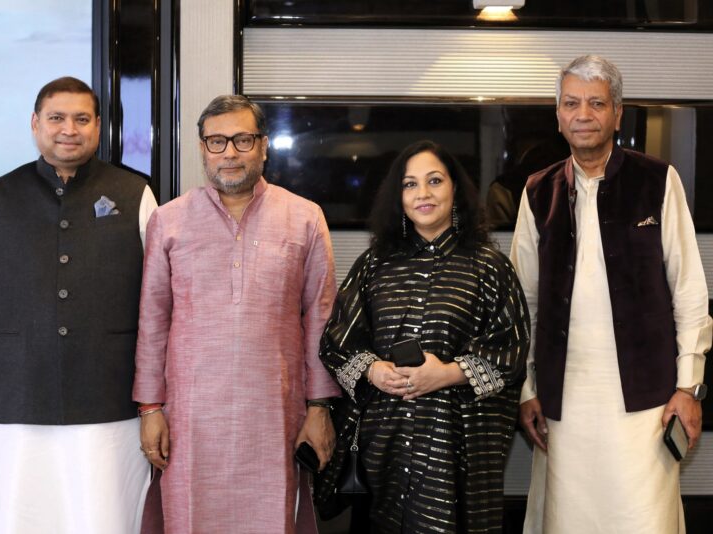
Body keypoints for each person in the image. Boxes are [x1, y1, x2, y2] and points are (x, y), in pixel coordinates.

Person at [510, 55, 713, 533]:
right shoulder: (538, 192)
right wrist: (526, 389)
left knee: (644, 518)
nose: (583, 114)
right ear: (557, 115)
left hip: (647, 399)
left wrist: (689, 386)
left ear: (617, 114)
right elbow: (523, 304)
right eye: (571, 103)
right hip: (563, 399)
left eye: (596, 103)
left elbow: (689, 292)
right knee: (568, 518)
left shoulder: (657, 181)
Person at [0, 77, 157, 534]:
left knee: (108, 514)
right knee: (23, 513)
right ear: (35, 124)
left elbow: (159, 300)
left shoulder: (134, 194)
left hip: (111, 393)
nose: (69, 128)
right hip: (19, 390)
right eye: (57, 118)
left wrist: (155, 397)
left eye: (81, 119)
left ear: (98, 127)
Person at [133, 94, 340, 534]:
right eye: (217, 141)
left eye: (243, 140)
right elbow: (152, 322)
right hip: (189, 419)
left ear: (264, 145)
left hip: (275, 414)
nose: (229, 152)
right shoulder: (168, 222)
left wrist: (319, 408)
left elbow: (321, 320)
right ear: (201, 148)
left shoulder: (304, 218)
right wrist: (150, 408)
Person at [316, 140, 530, 533]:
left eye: (435, 181)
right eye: (410, 184)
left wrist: (447, 374)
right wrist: (374, 370)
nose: (423, 194)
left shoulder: (489, 266)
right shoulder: (374, 264)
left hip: (458, 443)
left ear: (455, 190)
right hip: (387, 440)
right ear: (398, 196)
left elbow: (511, 351)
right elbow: (336, 342)